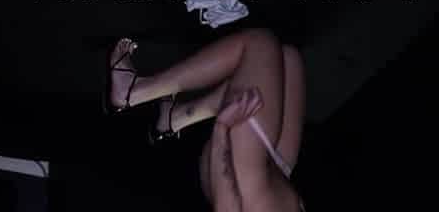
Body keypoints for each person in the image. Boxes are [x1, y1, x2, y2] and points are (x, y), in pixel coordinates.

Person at [104, 30, 307, 211]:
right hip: (279, 174)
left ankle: (132, 92)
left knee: (259, 45)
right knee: (288, 58)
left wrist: (222, 127)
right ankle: (177, 117)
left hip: (239, 174)